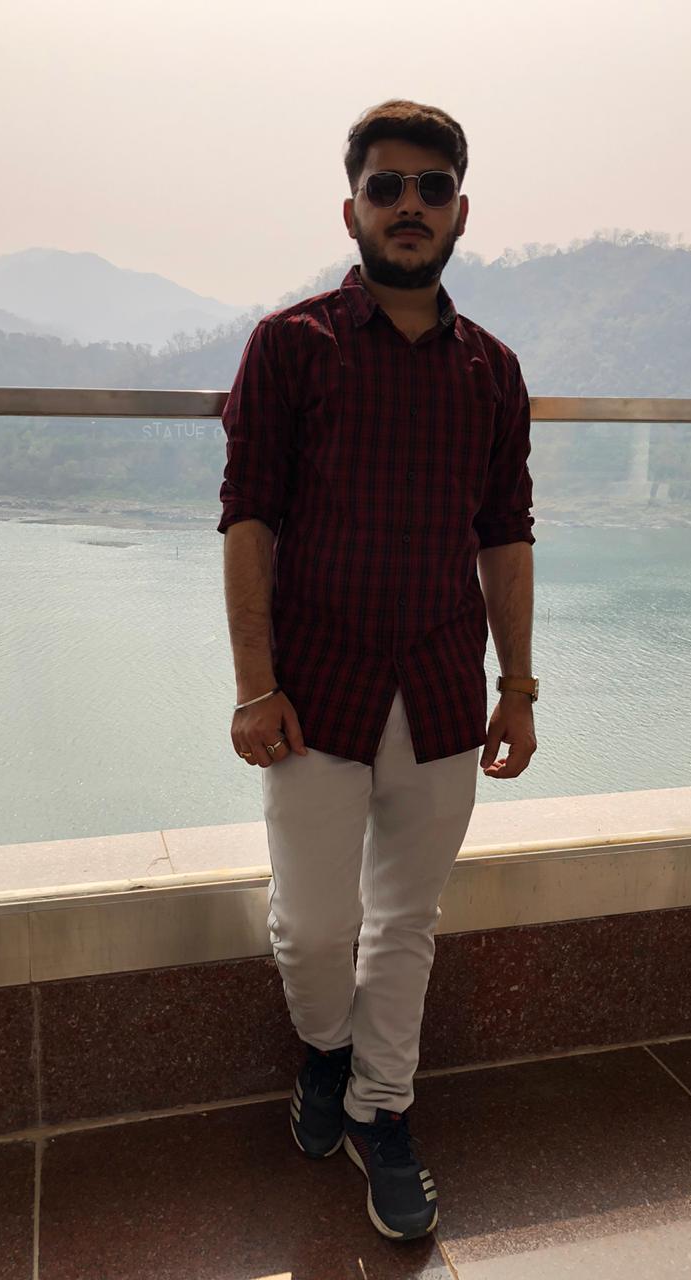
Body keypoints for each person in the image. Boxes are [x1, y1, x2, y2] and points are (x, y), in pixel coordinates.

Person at [217, 98, 539, 1241]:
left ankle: (381, 1107)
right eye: (387, 187)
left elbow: (506, 534)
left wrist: (518, 685)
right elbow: (249, 517)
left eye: (431, 188)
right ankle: (327, 1048)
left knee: (406, 920)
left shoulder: (492, 369)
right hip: (316, 689)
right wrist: (254, 683)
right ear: (351, 208)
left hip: (445, 685)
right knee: (313, 927)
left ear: (461, 211)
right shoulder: (291, 345)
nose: (410, 206)